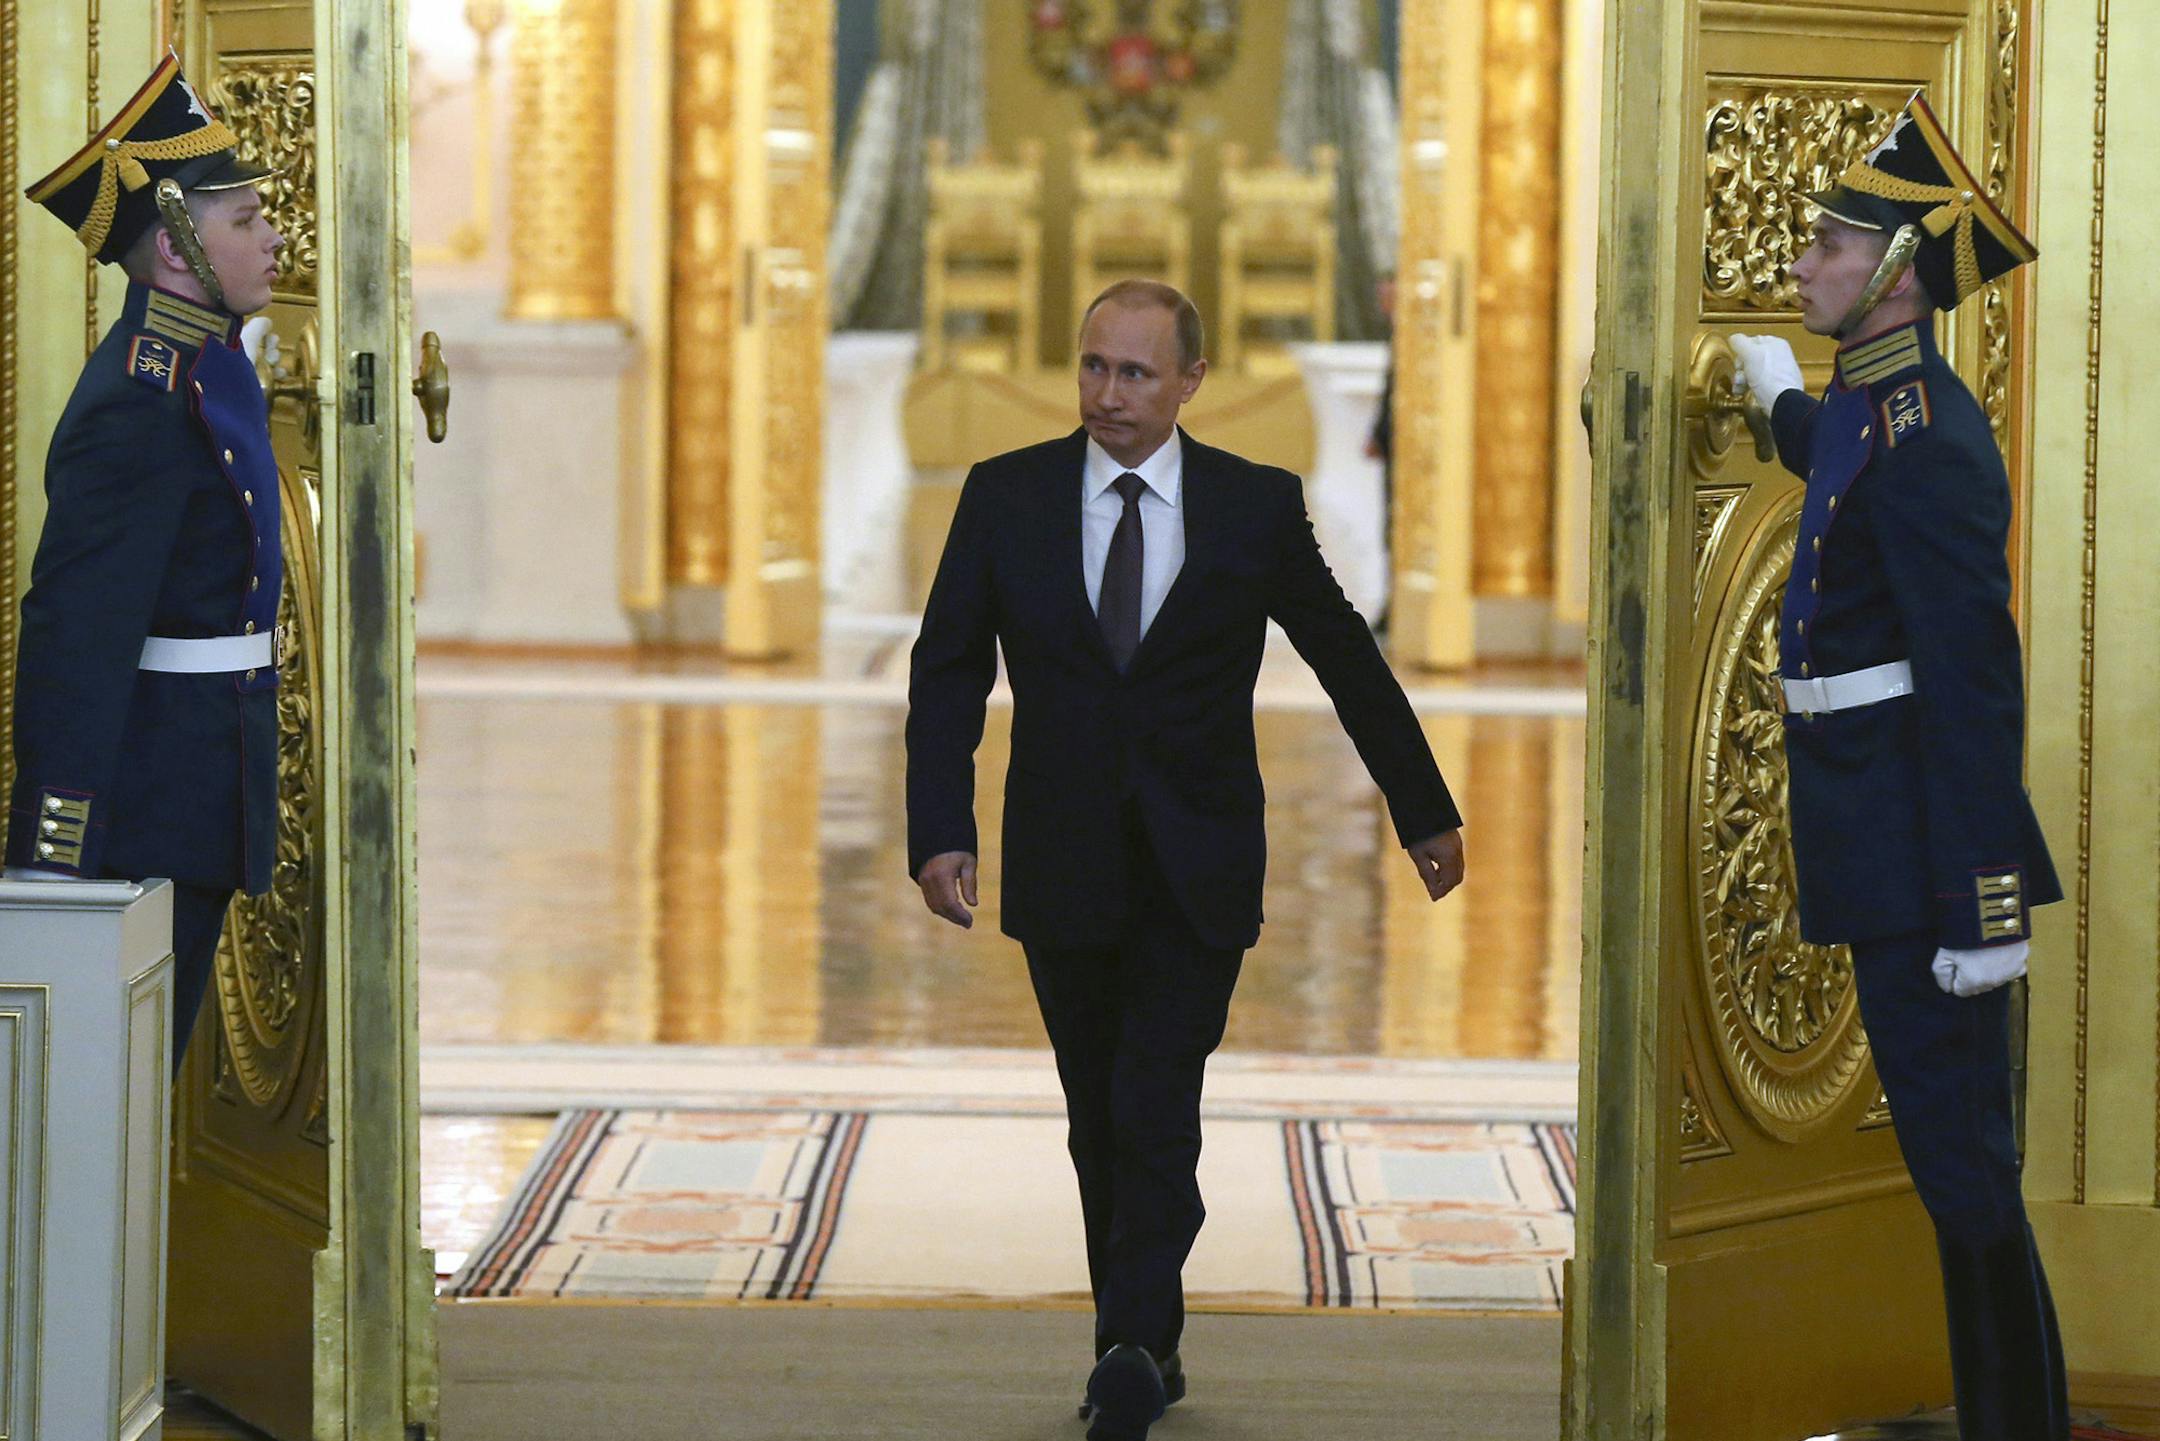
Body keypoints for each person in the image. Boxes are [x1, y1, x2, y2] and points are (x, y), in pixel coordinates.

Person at [905, 278, 1465, 1441]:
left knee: (1157, 1099)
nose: (1108, 394)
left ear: (1191, 383)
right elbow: (948, 667)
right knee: (1096, 1110)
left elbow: (1343, 656)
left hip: (1197, 858)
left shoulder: (1252, 507)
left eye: (1136, 373)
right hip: (1061, 858)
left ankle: (1123, 1349)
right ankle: (1146, 1331)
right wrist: (940, 827)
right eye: (1094, 366)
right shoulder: (1005, 497)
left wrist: (1422, 806)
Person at [1728, 89, 2067, 1441]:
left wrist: (1988, 911)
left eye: (1825, 248)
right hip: (1876, 840)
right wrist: (1778, 409)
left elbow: (1975, 686)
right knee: (1950, 1169)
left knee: (1967, 1174)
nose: (1803, 263)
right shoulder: (1875, 411)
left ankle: (2015, 1424)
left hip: (1930, 865)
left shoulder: (1932, 437)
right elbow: (1840, 465)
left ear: (1900, 277)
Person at [6, 52, 286, 1074]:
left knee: (136, 1094)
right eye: (245, 221)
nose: (272, 235)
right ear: (175, 253)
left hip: (204, 785)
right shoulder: (137, 399)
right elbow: (77, 640)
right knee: (101, 1102)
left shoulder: (210, 366)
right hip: (145, 806)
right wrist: (57, 855)